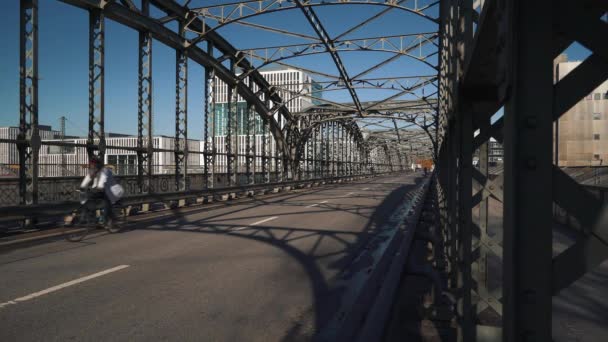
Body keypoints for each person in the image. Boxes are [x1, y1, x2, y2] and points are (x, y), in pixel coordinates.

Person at [80, 157, 121, 228]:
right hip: (100, 190)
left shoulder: (105, 171)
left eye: (93, 165)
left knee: (107, 204)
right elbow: (88, 178)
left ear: (97, 165)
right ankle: (93, 220)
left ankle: (108, 220)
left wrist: (99, 187)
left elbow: (103, 179)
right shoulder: (93, 170)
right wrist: (82, 186)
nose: (92, 166)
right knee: (89, 200)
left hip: (110, 190)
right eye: (91, 165)